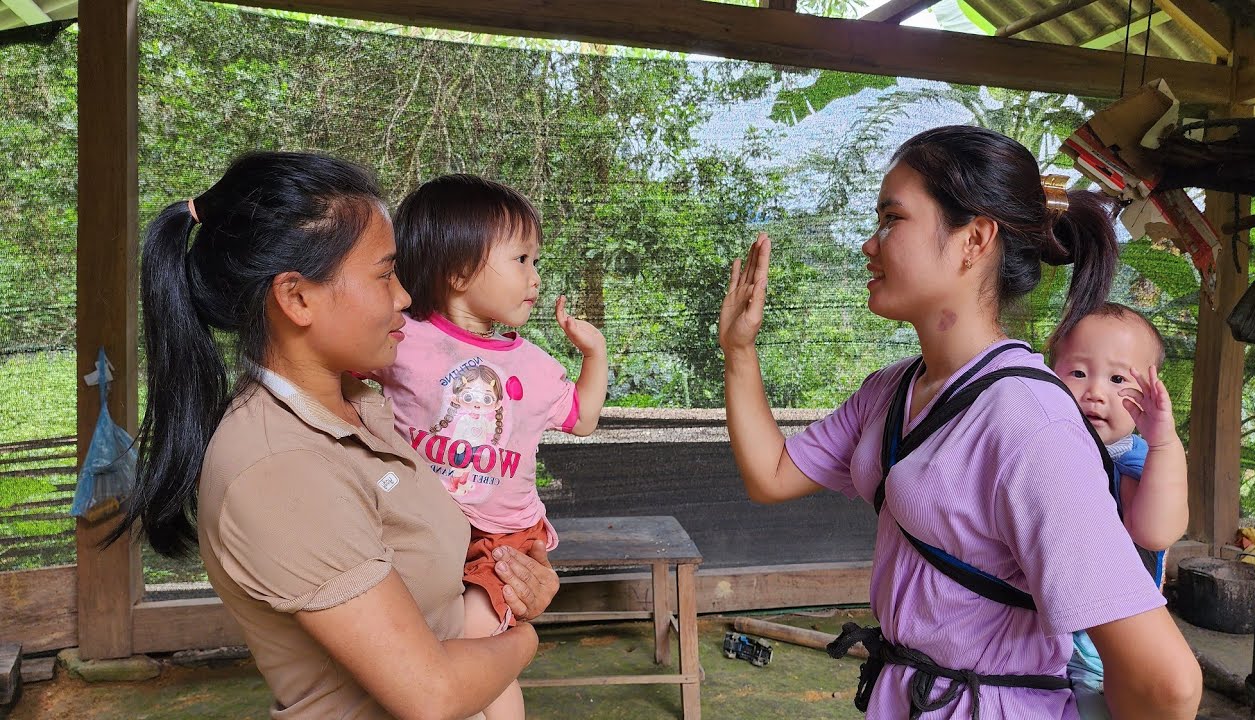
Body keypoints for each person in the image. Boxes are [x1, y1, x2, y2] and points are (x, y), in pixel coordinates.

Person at [718, 125, 1202, 719]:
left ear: (974, 239)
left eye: (892, 219)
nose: (870, 245)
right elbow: (771, 475)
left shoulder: (1031, 423)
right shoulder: (892, 389)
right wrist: (740, 352)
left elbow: (1167, 684)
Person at [111, 151, 560, 720]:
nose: (403, 296)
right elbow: (433, 694)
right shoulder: (280, 469)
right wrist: (523, 641)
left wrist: (518, 589)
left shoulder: (365, 408)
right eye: (384, 273)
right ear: (297, 298)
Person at [370, 174, 607, 720]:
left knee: (475, 644)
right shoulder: (401, 342)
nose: (536, 278)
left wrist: (593, 357)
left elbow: (584, 418)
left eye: (535, 261)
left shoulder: (538, 368)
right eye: (521, 259)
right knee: (455, 662)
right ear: (456, 271)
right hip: (420, 528)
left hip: (502, 540)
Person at [1049, 303, 1189, 718]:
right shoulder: (1043, 443)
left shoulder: (1134, 457)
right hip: (1036, 639)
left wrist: (1164, 443)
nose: (1095, 391)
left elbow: (1154, 532)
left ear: (1148, 392)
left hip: (1102, 652)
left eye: (1116, 379)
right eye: (1077, 373)